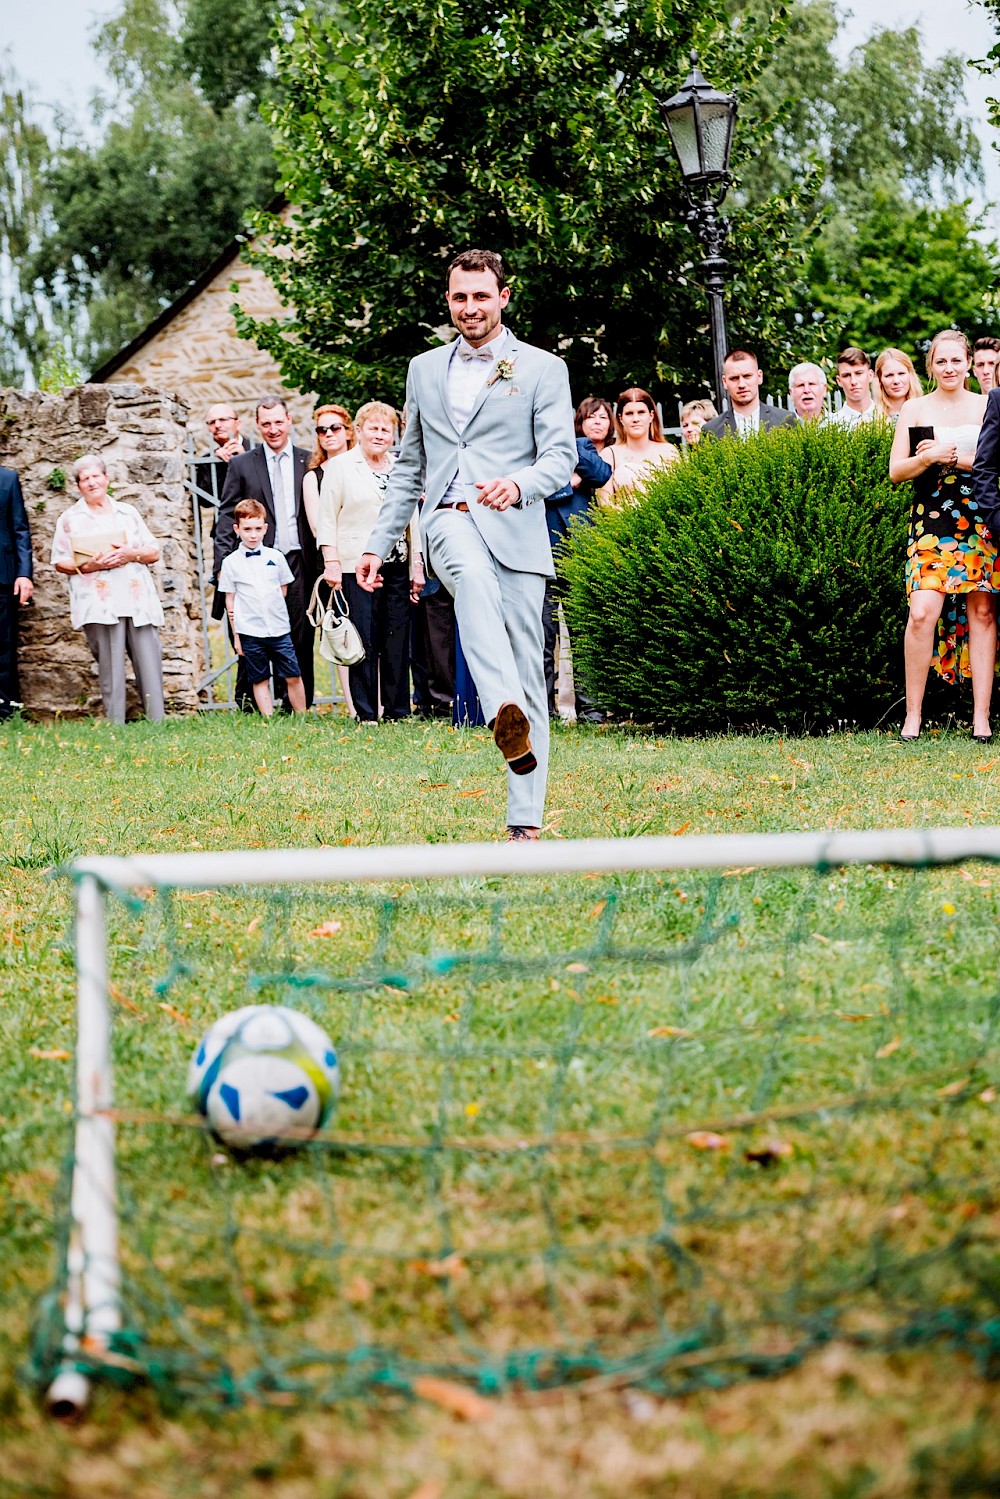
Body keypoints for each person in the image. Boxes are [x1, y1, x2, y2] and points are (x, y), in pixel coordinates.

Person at [356, 247, 576, 841]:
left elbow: (559, 458)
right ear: (448, 300)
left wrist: (519, 483)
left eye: (482, 296)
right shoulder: (423, 369)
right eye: (460, 296)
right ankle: (500, 704)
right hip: (450, 517)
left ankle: (524, 819)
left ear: (504, 297)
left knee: (534, 673)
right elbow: (408, 466)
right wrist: (378, 543)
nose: (470, 307)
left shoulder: (541, 369)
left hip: (518, 532)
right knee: (471, 582)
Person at [890, 329, 994, 742]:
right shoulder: (914, 409)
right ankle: (913, 714)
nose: (949, 368)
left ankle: (981, 718)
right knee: (922, 611)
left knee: (983, 613)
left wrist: (960, 460)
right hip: (931, 518)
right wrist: (929, 457)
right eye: (941, 361)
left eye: (956, 360)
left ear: (968, 362)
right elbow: (896, 471)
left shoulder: (989, 405)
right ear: (930, 366)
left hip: (980, 515)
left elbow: (996, 464)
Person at [319, 401, 424, 722]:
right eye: (374, 428)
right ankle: (365, 712)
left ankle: (396, 710)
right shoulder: (340, 466)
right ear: (359, 431)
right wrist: (331, 562)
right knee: (363, 637)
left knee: (396, 637)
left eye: (386, 429)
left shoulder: (400, 467)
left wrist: (416, 563)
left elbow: (412, 519)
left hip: (396, 563)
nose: (380, 435)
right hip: (355, 565)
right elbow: (327, 518)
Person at [216, 396, 318, 710]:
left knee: (299, 633)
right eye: (266, 424)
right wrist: (222, 561)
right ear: (257, 426)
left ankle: (298, 702)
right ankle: (253, 702)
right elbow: (226, 514)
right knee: (254, 630)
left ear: (289, 421)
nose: (273, 429)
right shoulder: (242, 463)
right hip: (257, 561)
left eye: (278, 422)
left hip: (300, 559)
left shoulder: (309, 460)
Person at [51, 454, 165, 724]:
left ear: (106, 478)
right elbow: (59, 561)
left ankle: (157, 720)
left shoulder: (128, 512)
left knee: (149, 661)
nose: (91, 482)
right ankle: (116, 724)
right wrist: (88, 565)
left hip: (137, 598)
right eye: (84, 479)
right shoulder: (70, 519)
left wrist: (130, 554)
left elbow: (153, 551)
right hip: (99, 602)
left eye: (95, 476)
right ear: (78, 486)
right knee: (110, 667)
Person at [543, 397, 613, 721]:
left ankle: (591, 709)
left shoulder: (582, 446)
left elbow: (601, 473)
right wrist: (565, 486)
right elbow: (539, 490)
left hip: (579, 551)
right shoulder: (533, 447)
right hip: (542, 551)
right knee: (543, 635)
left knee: (582, 632)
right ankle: (544, 709)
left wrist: (571, 454)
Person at [218, 498, 306, 717]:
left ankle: (303, 716)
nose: (253, 534)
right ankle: (268, 719)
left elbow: (283, 588)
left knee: (293, 674)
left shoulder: (275, 557)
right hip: (250, 631)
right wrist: (237, 636)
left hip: (278, 629)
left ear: (265, 528)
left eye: (258, 529)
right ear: (237, 529)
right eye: (247, 529)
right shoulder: (230, 562)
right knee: (260, 678)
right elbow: (231, 600)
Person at [303, 404, 356, 713]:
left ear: (348, 431)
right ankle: (354, 706)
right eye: (322, 430)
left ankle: (380, 703)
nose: (328, 434)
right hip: (336, 563)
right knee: (343, 632)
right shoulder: (315, 477)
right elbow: (317, 525)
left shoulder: (363, 466)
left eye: (335, 427)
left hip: (370, 560)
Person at [597, 388, 679, 503]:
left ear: (651, 415)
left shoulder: (669, 452)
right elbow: (605, 504)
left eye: (641, 412)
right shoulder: (609, 455)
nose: (636, 419)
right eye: (629, 414)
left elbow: (679, 497)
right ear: (621, 418)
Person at [0, 464, 33, 719]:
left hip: (4, 577)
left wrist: (24, 574)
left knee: (4, 646)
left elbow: (20, 529)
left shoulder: (8, 478)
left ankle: (5, 711)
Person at [702, 350, 797, 439]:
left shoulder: (785, 420)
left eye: (747, 376)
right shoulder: (711, 430)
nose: (741, 384)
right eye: (734, 378)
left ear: (759, 377)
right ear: (725, 382)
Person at [827, 347, 877, 427]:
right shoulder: (830, 425)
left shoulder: (888, 419)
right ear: (839, 381)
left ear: (870, 375)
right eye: (846, 375)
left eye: (859, 373)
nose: (853, 381)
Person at [874, 349, 922, 422]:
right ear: (880, 380)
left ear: (910, 375)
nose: (896, 381)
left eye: (901, 373)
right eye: (889, 375)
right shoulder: (869, 420)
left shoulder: (927, 412)